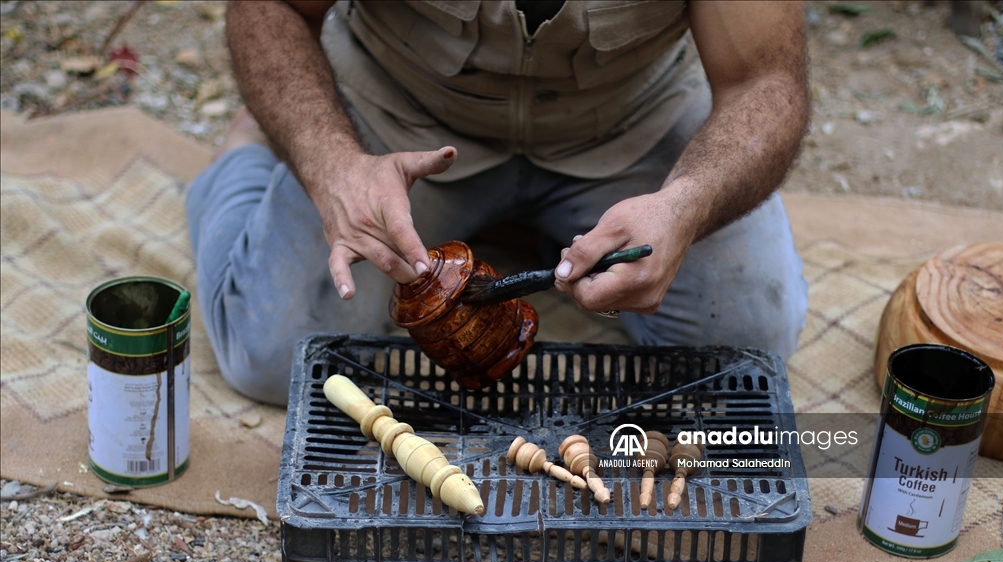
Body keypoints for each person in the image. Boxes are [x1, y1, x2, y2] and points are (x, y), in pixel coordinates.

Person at [187, 0, 810, 406]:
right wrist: (328, 163)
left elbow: (766, 80)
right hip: (402, 112)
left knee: (746, 349)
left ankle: (550, 223)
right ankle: (243, 158)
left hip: (628, 122)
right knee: (274, 359)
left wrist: (687, 203)